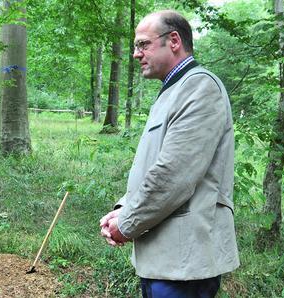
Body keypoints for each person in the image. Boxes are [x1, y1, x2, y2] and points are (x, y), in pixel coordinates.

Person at [99, 10, 240, 298]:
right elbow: (153, 166)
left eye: (143, 44)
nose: (136, 54)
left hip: (184, 264)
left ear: (173, 40)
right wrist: (121, 209)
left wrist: (126, 225)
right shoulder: (172, 91)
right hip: (165, 259)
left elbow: (173, 176)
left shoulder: (200, 88)